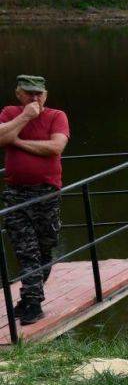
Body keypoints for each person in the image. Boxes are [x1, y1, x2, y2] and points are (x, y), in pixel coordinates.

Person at [0, 75, 70, 325]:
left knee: (44, 249)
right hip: (15, 194)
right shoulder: (10, 113)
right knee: (26, 250)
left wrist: (16, 141)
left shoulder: (56, 116)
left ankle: (29, 297)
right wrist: (25, 117)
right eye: (29, 93)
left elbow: (55, 148)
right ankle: (33, 304)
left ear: (46, 94)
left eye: (39, 93)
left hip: (46, 194)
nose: (34, 98)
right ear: (18, 93)